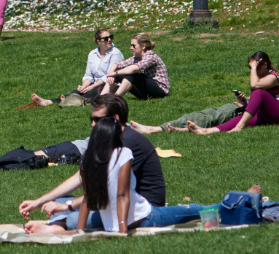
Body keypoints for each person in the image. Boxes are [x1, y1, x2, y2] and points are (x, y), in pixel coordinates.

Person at [9, 95, 167, 231]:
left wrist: (67, 206)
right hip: (112, 201)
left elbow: (102, 190)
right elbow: (81, 177)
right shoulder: (106, 139)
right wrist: (39, 201)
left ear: (115, 119)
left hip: (139, 209)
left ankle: (58, 226)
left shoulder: (125, 143)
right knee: (58, 200)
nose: (92, 124)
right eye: (92, 119)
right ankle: (60, 222)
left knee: (71, 216)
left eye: (97, 119)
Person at [185, 51, 279, 134]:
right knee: (240, 118)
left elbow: (255, 85)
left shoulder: (274, 76)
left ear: (265, 65)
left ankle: (239, 127)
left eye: (256, 68)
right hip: (266, 115)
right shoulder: (259, 78)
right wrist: (244, 101)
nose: (253, 70)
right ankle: (206, 131)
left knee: (258, 92)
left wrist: (253, 67)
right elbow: (257, 102)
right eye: (251, 68)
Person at [29, 29, 126, 107]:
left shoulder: (115, 53)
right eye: (106, 38)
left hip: (110, 84)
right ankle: (49, 101)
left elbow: (109, 76)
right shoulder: (92, 54)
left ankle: (69, 100)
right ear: (98, 41)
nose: (109, 39)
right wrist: (84, 86)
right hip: (95, 84)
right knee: (79, 91)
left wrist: (91, 87)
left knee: (91, 92)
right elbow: (88, 75)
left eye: (110, 37)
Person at [104, 34, 169, 100]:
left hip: (160, 90)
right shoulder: (137, 57)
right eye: (131, 45)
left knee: (133, 75)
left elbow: (134, 69)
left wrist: (115, 73)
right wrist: (111, 74)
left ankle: (115, 99)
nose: (131, 48)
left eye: (133, 45)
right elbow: (118, 64)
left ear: (143, 46)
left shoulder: (151, 56)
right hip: (146, 91)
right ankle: (101, 98)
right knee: (119, 75)